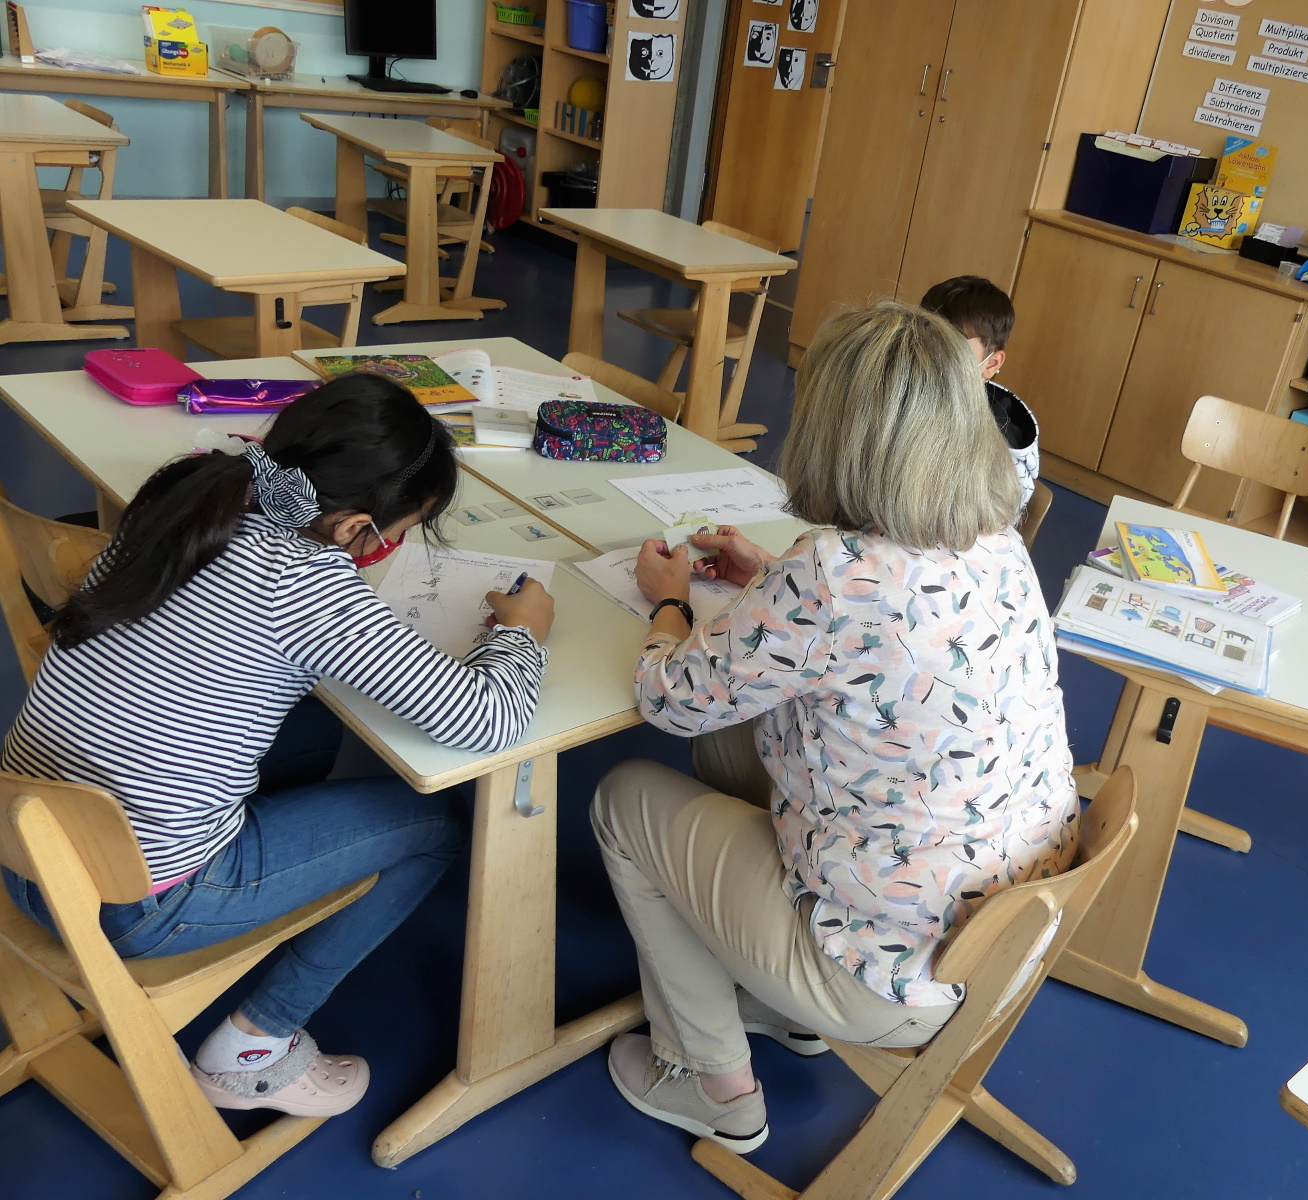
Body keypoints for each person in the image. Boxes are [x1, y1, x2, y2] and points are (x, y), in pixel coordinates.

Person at [591, 301, 1077, 1153]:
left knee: (624, 798)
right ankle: (779, 1003)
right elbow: (880, 635)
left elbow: (669, 698)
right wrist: (769, 577)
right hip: (995, 938)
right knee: (733, 743)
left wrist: (669, 602)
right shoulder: (999, 539)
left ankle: (708, 1077)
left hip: (887, 978)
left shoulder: (833, 574)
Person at [1, 376, 555, 1119]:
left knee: (319, 724)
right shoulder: (303, 585)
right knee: (437, 827)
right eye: (395, 535)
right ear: (353, 525)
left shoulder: (191, 497)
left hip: (28, 852)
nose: (388, 550)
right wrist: (522, 631)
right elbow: (487, 720)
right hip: (135, 902)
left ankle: (282, 876)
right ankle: (254, 1045)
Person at [920, 275, 1040, 515]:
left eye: (954, 342)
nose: (932, 351)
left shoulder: (1003, 443)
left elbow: (980, 519)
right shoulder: (909, 394)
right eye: (925, 332)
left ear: (991, 364)